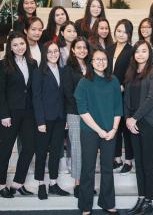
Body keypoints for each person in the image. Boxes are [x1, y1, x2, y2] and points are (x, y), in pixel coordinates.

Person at [75, 49, 123, 215]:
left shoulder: (114, 80)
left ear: (107, 62)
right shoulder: (84, 82)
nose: (101, 62)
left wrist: (114, 129)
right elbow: (83, 111)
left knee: (107, 168)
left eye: (104, 59)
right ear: (91, 62)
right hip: (90, 130)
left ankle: (107, 202)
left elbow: (118, 107)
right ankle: (85, 205)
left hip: (110, 131)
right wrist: (99, 130)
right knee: (88, 168)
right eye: (97, 59)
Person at [0, 31, 37, 198]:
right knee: (6, 149)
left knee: (29, 147)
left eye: (21, 44)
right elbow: (1, 92)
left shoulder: (32, 63)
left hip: (28, 113)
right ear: (10, 47)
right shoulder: (4, 64)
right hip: (10, 114)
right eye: (15, 45)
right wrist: (4, 115)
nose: (19, 47)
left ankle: (18, 183)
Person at [124, 40, 153, 215]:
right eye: (137, 51)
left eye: (144, 51)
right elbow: (126, 99)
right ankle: (141, 197)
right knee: (138, 163)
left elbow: (150, 99)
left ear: (149, 53)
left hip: (149, 124)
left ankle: (149, 200)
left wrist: (134, 119)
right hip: (133, 124)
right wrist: (127, 120)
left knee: (148, 163)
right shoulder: (130, 72)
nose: (140, 54)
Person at [32, 41, 70, 200]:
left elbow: (64, 96)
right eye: (50, 52)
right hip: (45, 120)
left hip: (60, 118)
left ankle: (53, 183)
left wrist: (66, 117)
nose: (54, 54)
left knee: (56, 152)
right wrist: (40, 121)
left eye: (56, 51)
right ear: (44, 54)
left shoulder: (62, 71)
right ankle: (41, 184)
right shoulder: (39, 72)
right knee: (41, 152)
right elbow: (36, 98)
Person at [63, 37, 92, 198]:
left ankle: (87, 182)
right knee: (76, 148)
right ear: (72, 50)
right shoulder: (68, 69)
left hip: (92, 114)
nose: (82, 50)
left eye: (84, 47)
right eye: (78, 47)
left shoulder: (92, 67)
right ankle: (78, 184)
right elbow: (68, 93)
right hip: (74, 113)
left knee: (90, 149)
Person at [108, 19, 134, 174]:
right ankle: (116, 158)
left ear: (129, 34)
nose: (121, 34)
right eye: (119, 31)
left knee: (125, 128)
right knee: (114, 127)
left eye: (125, 32)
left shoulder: (131, 50)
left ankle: (129, 160)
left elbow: (132, 72)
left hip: (125, 94)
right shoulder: (109, 49)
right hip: (111, 95)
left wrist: (123, 86)